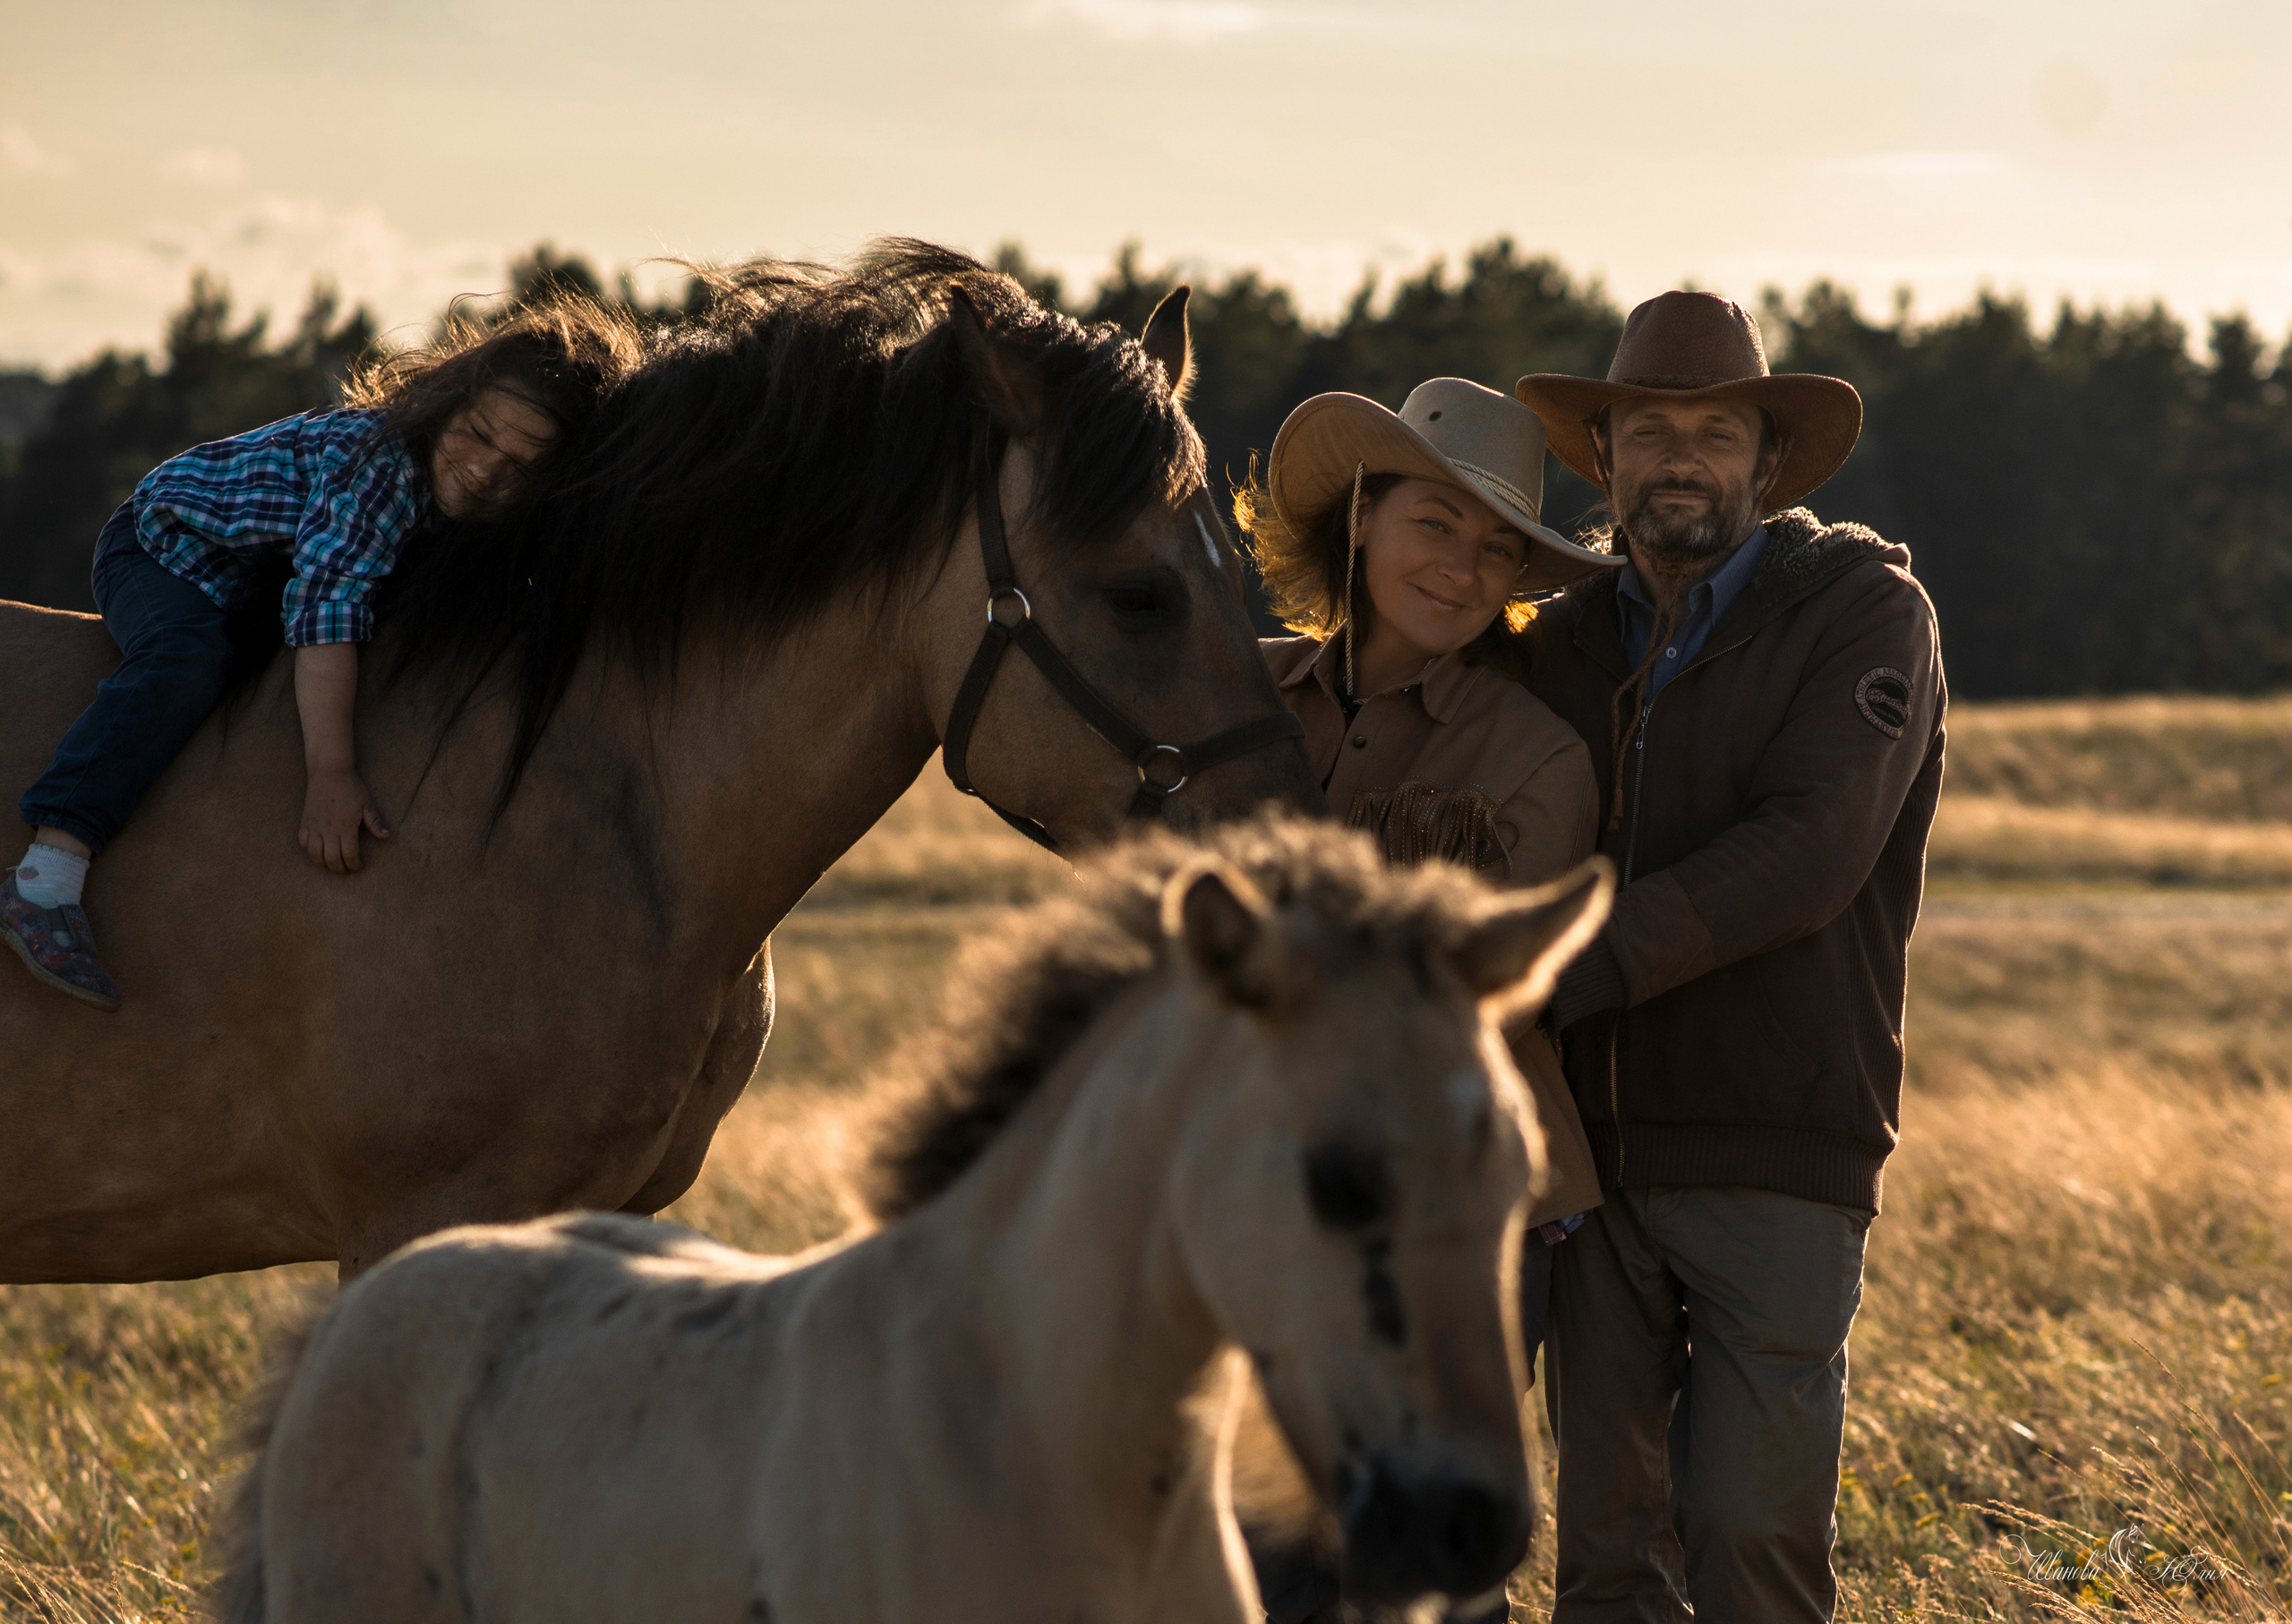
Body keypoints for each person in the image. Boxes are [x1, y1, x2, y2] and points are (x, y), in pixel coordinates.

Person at [1512, 291, 1946, 1623]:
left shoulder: (1864, 614)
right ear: (1606, 459)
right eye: (1649, 429)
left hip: (1778, 1145)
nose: (1680, 457)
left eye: (1715, 430)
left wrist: (1565, 969)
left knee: (1749, 1535)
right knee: (1606, 1552)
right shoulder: (1564, 644)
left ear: (1768, 463)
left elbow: (1811, 851)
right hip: (1591, 1161)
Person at [1236, 377, 1623, 1620]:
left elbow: (1484, 995)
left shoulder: (1535, 756)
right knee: (1251, 1541)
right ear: (1360, 517)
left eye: (1498, 546)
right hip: (1250, 1181)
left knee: (1413, 1548)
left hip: (1456, 1202)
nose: (1464, 570)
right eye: (1437, 524)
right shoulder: (1231, 704)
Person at [4, 300, 637, 1012]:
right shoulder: (379, 471)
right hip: (168, 546)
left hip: (254, 582)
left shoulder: (480, 507)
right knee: (185, 660)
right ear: (450, 401)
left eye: (519, 465)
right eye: (478, 434)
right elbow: (326, 616)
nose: (485, 470)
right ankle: (47, 873)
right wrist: (332, 772)